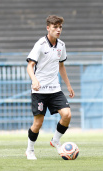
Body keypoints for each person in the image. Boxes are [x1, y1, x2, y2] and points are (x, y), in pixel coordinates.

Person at [25, 15, 75, 160]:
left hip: (55, 89)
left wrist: (68, 85)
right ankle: (30, 150)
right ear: (48, 28)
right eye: (55, 27)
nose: (58, 30)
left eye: (60, 27)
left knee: (67, 115)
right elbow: (30, 66)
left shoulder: (61, 46)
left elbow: (61, 66)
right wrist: (34, 80)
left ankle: (55, 140)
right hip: (39, 91)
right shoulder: (40, 44)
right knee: (38, 123)